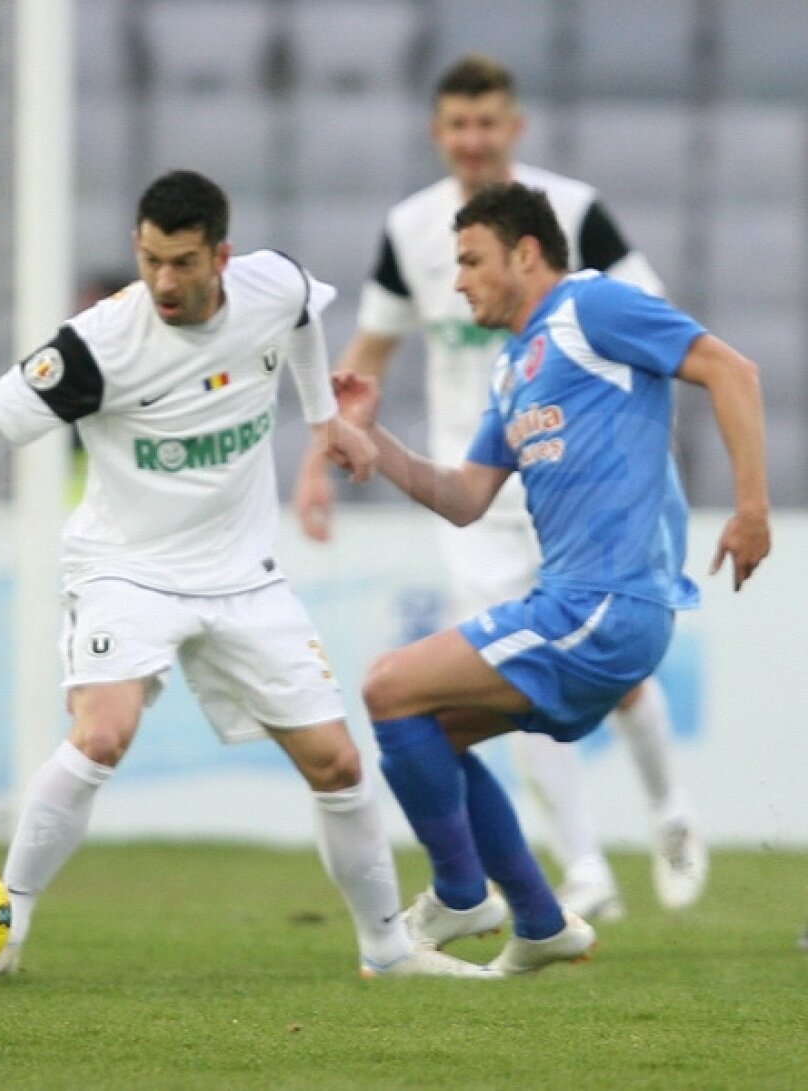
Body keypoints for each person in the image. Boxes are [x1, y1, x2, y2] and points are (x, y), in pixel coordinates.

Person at [0, 169, 497, 980]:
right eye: (151, 258)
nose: (163, 279)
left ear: (221, 256)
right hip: (127, 568)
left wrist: (324, 419)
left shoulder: (273, 284)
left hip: (241, 574)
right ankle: (5, 933)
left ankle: (386, 950)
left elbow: (302, 316)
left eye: (183, 262)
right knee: (102, 732)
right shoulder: (98, 344)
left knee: (337, 762)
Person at [295, 53, 707, 920]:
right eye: (458, 125)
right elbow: (368, 352)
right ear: (437, 133)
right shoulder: (414, 230)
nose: (474, 140)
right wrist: (321, 462)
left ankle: (669, 812)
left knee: (610, 673)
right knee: (500, 681)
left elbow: (662, 339)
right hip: (479, 484)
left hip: (585, 490)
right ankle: (584, 865)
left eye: (489, 124)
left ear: (513, 128)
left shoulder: (573, 215)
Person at [332, 181, 769, 973]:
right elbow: (466, 497)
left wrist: (750, 508)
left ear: (525, 252)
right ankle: (537, 921)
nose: (458, 279)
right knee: (423, 729)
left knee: (388, 686)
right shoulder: (513, 369)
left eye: (470, 260)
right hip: (573, 605)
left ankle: (464, 894)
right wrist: (374, 441)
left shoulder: (592, 307)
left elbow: (732, 370)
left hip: (607, 603)